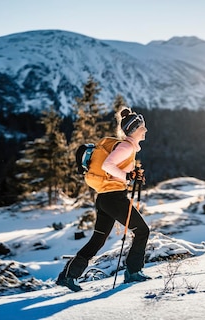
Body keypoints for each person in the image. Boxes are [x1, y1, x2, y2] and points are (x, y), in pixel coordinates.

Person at [57, 108, 151, 292]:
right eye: (143, 127)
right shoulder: (126, 147)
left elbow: (117, 169)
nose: (145, 130)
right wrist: (127, 177)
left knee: (98, 240)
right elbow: (107, 166)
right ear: (134, 130)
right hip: (114, 198)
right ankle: (133, 272)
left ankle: (68, 276)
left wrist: (132, 175)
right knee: (142, 231)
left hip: (105, 198)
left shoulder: (126, 147)